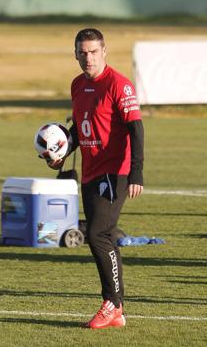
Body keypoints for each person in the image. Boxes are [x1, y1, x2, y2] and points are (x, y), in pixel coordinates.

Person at [47, 28, 145, 329]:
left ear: (104, 51)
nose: (88, 58)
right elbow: (79, 129)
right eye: (82, 52)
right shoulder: (77, 85)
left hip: (115, 170)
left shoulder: (119, 84)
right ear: (75, 53)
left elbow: (136, 130)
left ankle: (112, 304)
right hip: (90, 170)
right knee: (105, 235)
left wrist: (136, 172)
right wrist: (61, 152)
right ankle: (118, 308)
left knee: (98, 234)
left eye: (93, 52)